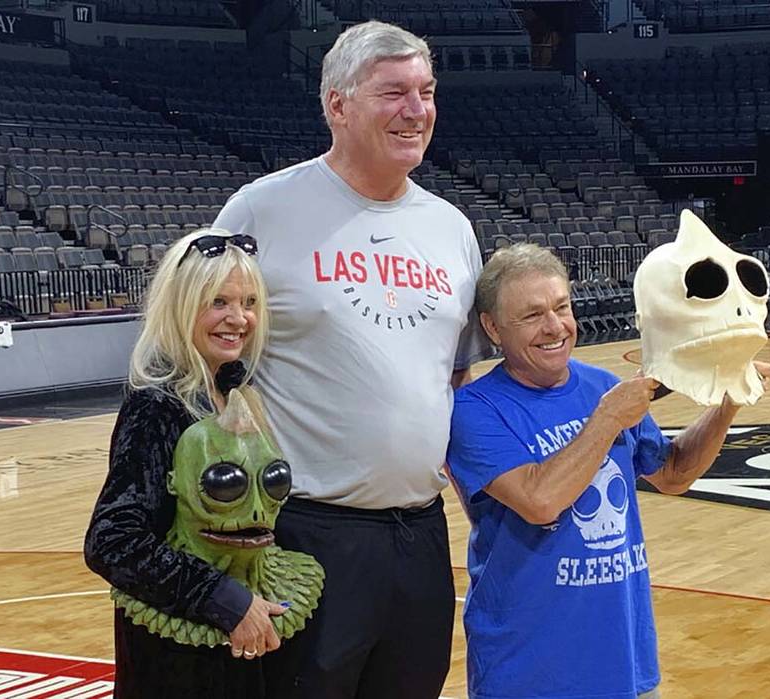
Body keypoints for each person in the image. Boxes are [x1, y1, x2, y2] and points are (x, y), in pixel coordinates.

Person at [212, 20, 494, 699]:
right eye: (394, 92)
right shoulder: (262, 209)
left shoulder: (452, 229)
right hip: (304, 529)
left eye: (426, 92)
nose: (417, 110)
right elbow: (200, 359)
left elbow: (451, 377)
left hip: (419, 533)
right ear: (337, 104)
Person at [445, 244, 770, 699]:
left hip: (626, 662)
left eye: (562, 307)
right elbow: (539, 501)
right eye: (532, 315)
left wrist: (729, 401)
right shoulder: (473, 410)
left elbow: (674, 474)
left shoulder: (601, 387)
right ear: (492, 327)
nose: (555, 326)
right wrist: (604, 420)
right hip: (529, 672)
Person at [84, 229, 287, 698]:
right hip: (176, 662)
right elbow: (112, 540)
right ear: (181, 306)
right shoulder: (157, 404)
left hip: (229, 647)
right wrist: (221, 598)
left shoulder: (234, 391)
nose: (239, 318)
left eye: (250, 302)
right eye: (218, 302)